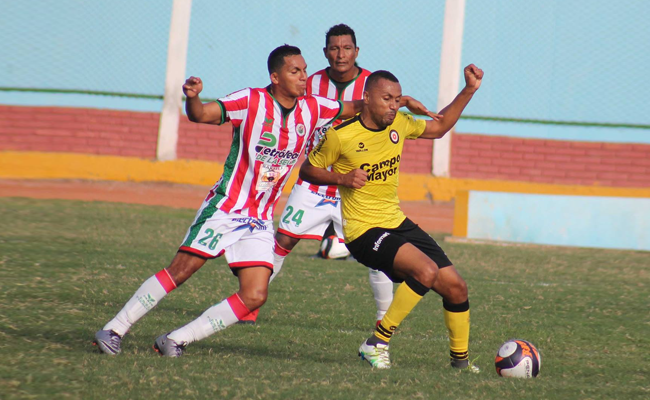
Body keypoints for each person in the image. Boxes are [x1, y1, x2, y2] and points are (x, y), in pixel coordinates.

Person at [93, 44, 433, 357]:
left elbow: (362, 105)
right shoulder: (251, 101)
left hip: (259, 218)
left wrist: (401, 102)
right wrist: (193, 98)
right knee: (181, 270)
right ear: (275, 77)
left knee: (255, 295)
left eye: (304, 70)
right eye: (295, 72)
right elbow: (201, 115)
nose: (304, 77)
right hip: (226, 206)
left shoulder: (314, 108)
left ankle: (175, 340)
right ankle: (114, 329)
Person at [299, 65, 484, 371]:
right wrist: (342, 178)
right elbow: (307, 169)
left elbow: (439, 128)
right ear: (367, 97)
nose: (394, 105)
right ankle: (376, 344)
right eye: (387, 98)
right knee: (425, 270)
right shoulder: (341, 136)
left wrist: (469, 89)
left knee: (456, 287)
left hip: (396, 222)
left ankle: (460, 364)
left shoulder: (399, 122)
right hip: (363, 231)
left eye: (397, 99)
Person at [239, 24, 396, 327]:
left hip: (357, 187)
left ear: (356, 51)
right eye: (334, 49)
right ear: (325, 53)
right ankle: (248, 305)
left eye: (346, 48)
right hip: (315, 181)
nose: (340, 55)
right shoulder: (307, 83)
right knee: (283, 239)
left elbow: (391, 117)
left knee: (379, 250)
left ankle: (384, 322)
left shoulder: (372, 85)